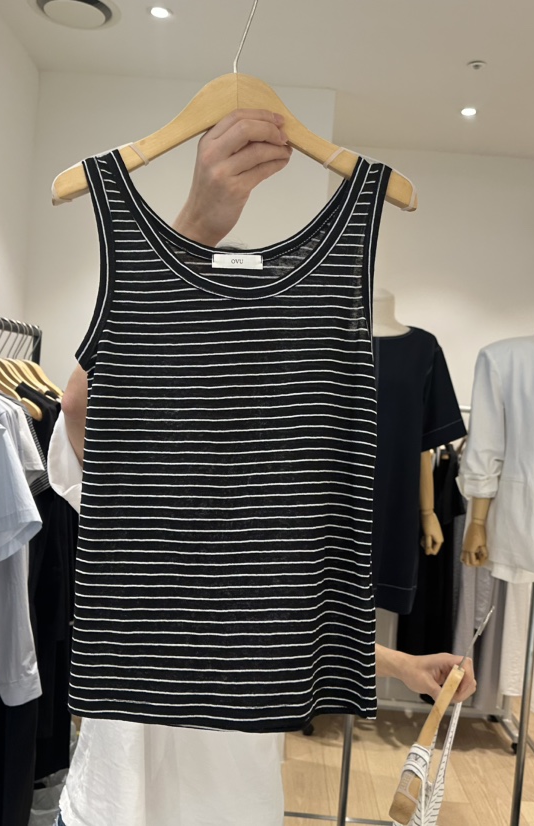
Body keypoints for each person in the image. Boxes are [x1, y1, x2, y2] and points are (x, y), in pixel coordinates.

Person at [62, 109, 476, 705]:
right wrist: (195, 223)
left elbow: (279, 605)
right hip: (171, 720)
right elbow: (78, 407)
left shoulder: (240, 465)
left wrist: (401, 666)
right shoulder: (143, 405)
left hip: (205, 703)